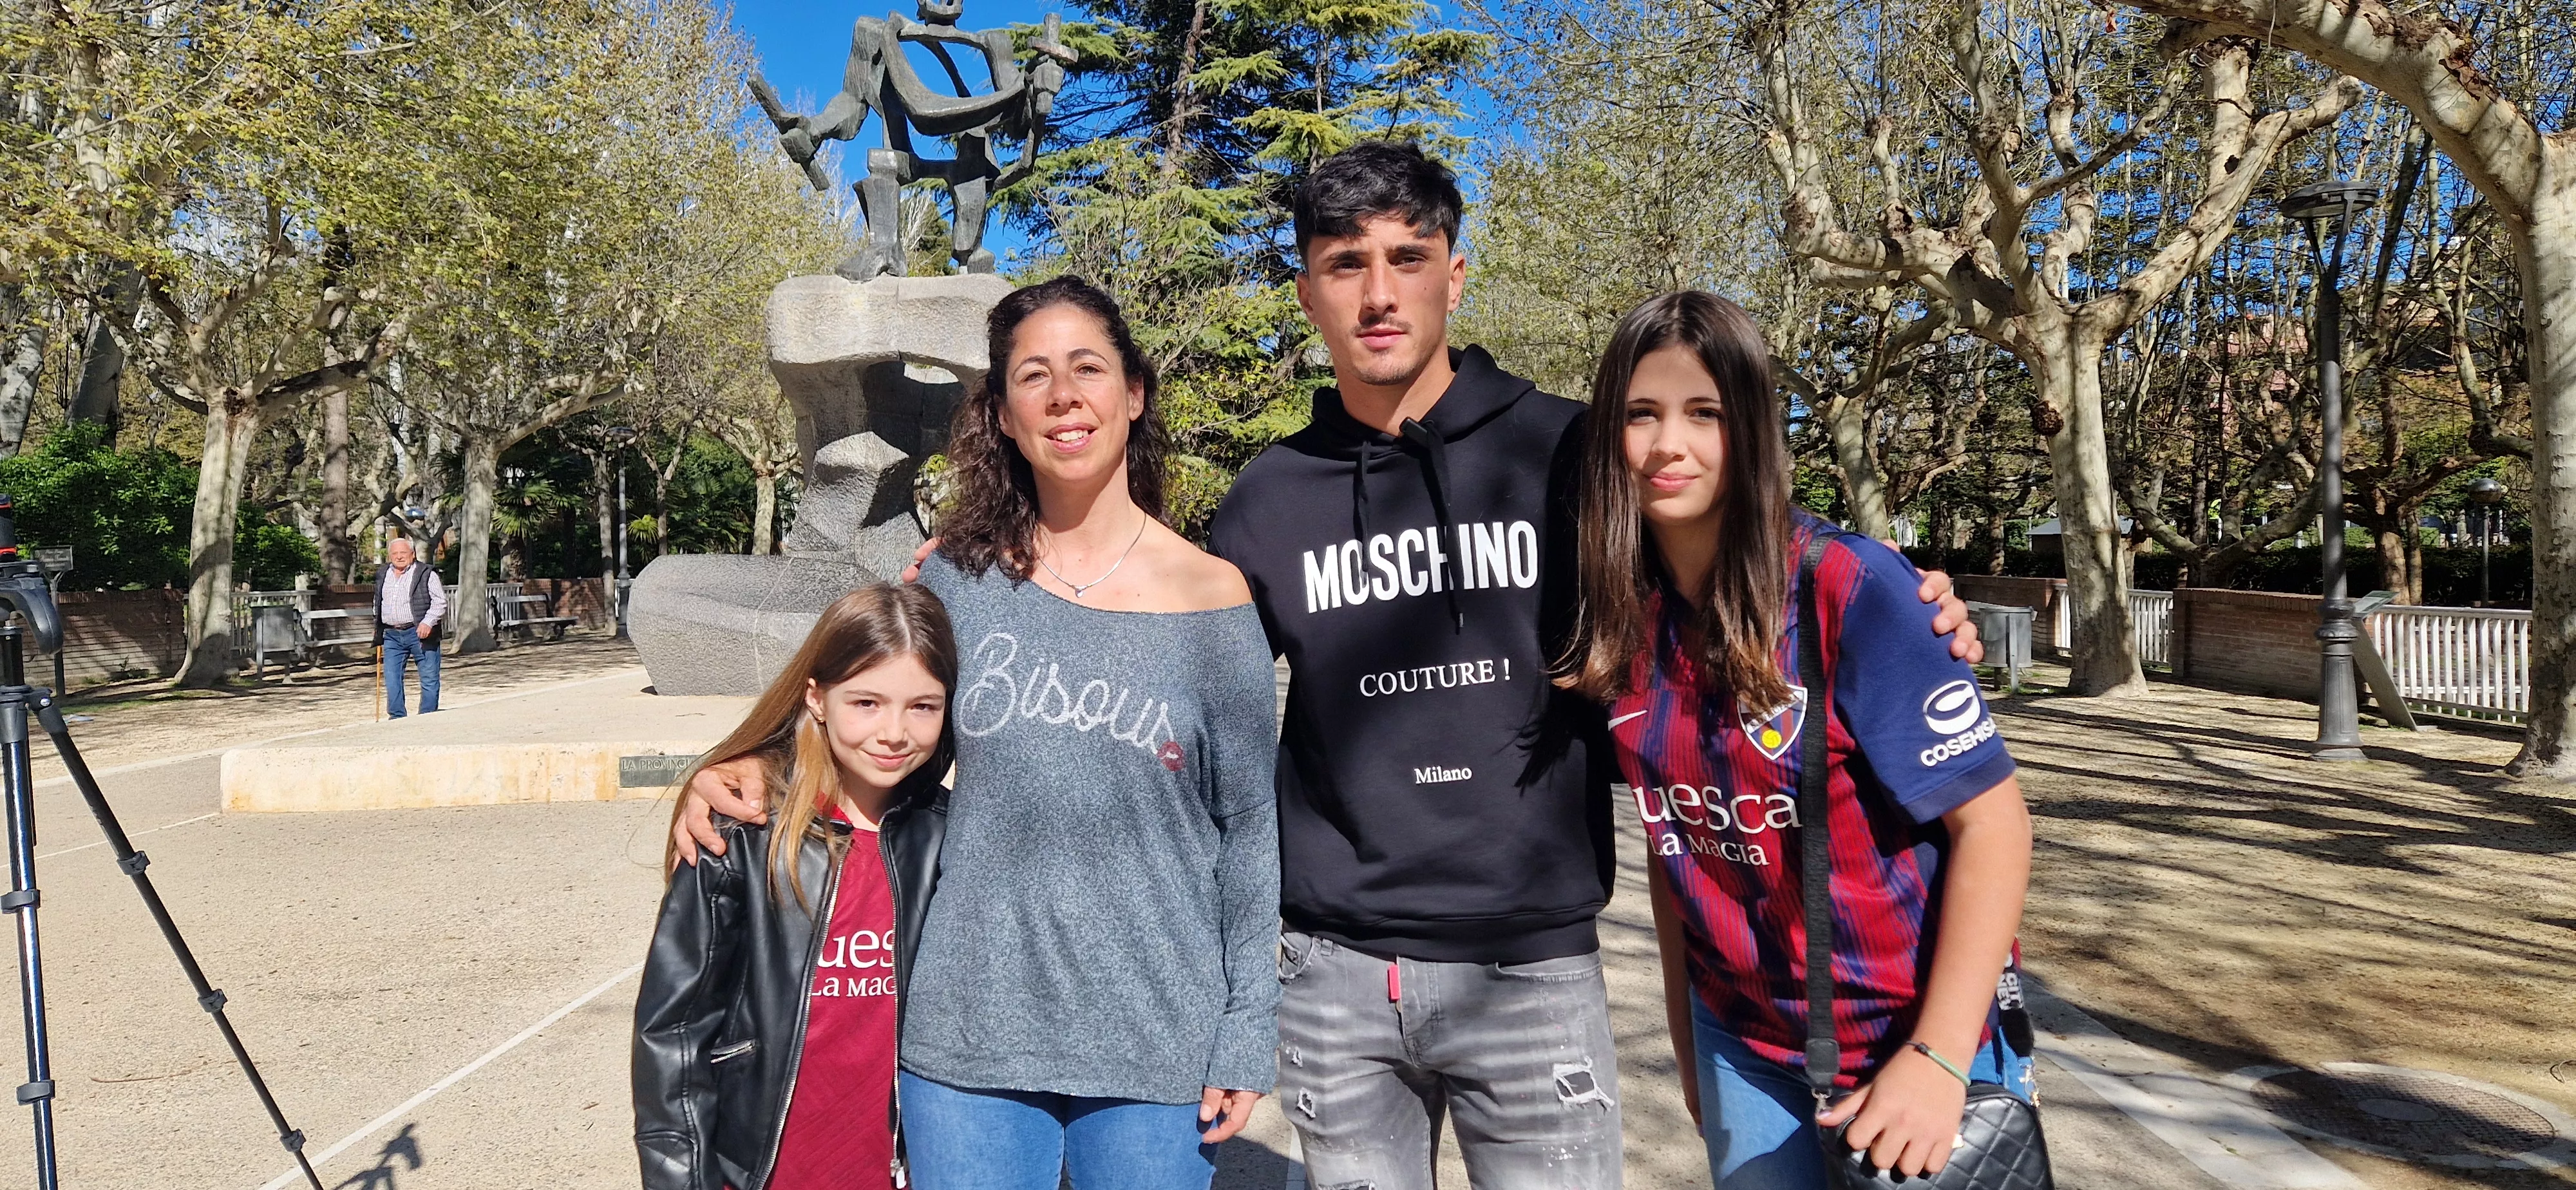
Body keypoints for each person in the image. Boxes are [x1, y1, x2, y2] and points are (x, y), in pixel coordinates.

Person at [1200, 141, 1987, 1190]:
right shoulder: (1266, 502)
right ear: (1307, 292)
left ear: (1456, 273)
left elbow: (1738, 542)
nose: (1379, 292)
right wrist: (999, 558)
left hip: (1532, 967)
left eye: (1408, 255)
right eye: (1345, 263)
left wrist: (1908, 592)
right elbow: (1180, 685)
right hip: (1333, 973)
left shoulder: (1582, 457)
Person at [674, 276, 1281, 1190]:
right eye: (1033, 376)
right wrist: (741, 769)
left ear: (1134, 392)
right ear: (1000, 413)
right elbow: (867, 730)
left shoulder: (1217, 600)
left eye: (1088, 368)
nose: (1064, 396)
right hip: (967, 1044)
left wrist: (1249, 1025)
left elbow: (1251, 835)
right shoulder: (958, 584)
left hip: (1159, 1041)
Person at [1562, 290, 2034, 1189]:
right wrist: (1690, 1043)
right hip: (1739, 1045)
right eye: (1640, 415)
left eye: (1705, 414)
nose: (1670, 445)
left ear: (1752, 430)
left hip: (1909, 1039)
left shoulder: (1851, 589)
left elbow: (1996, 827)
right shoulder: (1624, 623)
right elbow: (1679, 852)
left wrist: (1936, 1059)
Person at [633, 582, 957, 1190]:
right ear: (817, 698)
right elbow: (674, 1033)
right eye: (866, 702)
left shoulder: (952, 841)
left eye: (923, 706)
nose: (893, 732)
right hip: (760, 1170)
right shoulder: (743, 834)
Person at [375, 536, 445, 717]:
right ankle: (397, 717)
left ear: (412, 555)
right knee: (392, 678)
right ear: (390, 556)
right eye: (395, 553)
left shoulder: (426, 573)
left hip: (419, 633)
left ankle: (427, 716)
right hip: (392, 634)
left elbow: (440, 602)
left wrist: (428, 622)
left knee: (429, 677)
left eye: (403, 553)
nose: (399, 557)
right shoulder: (384, 573)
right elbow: (379, 601)